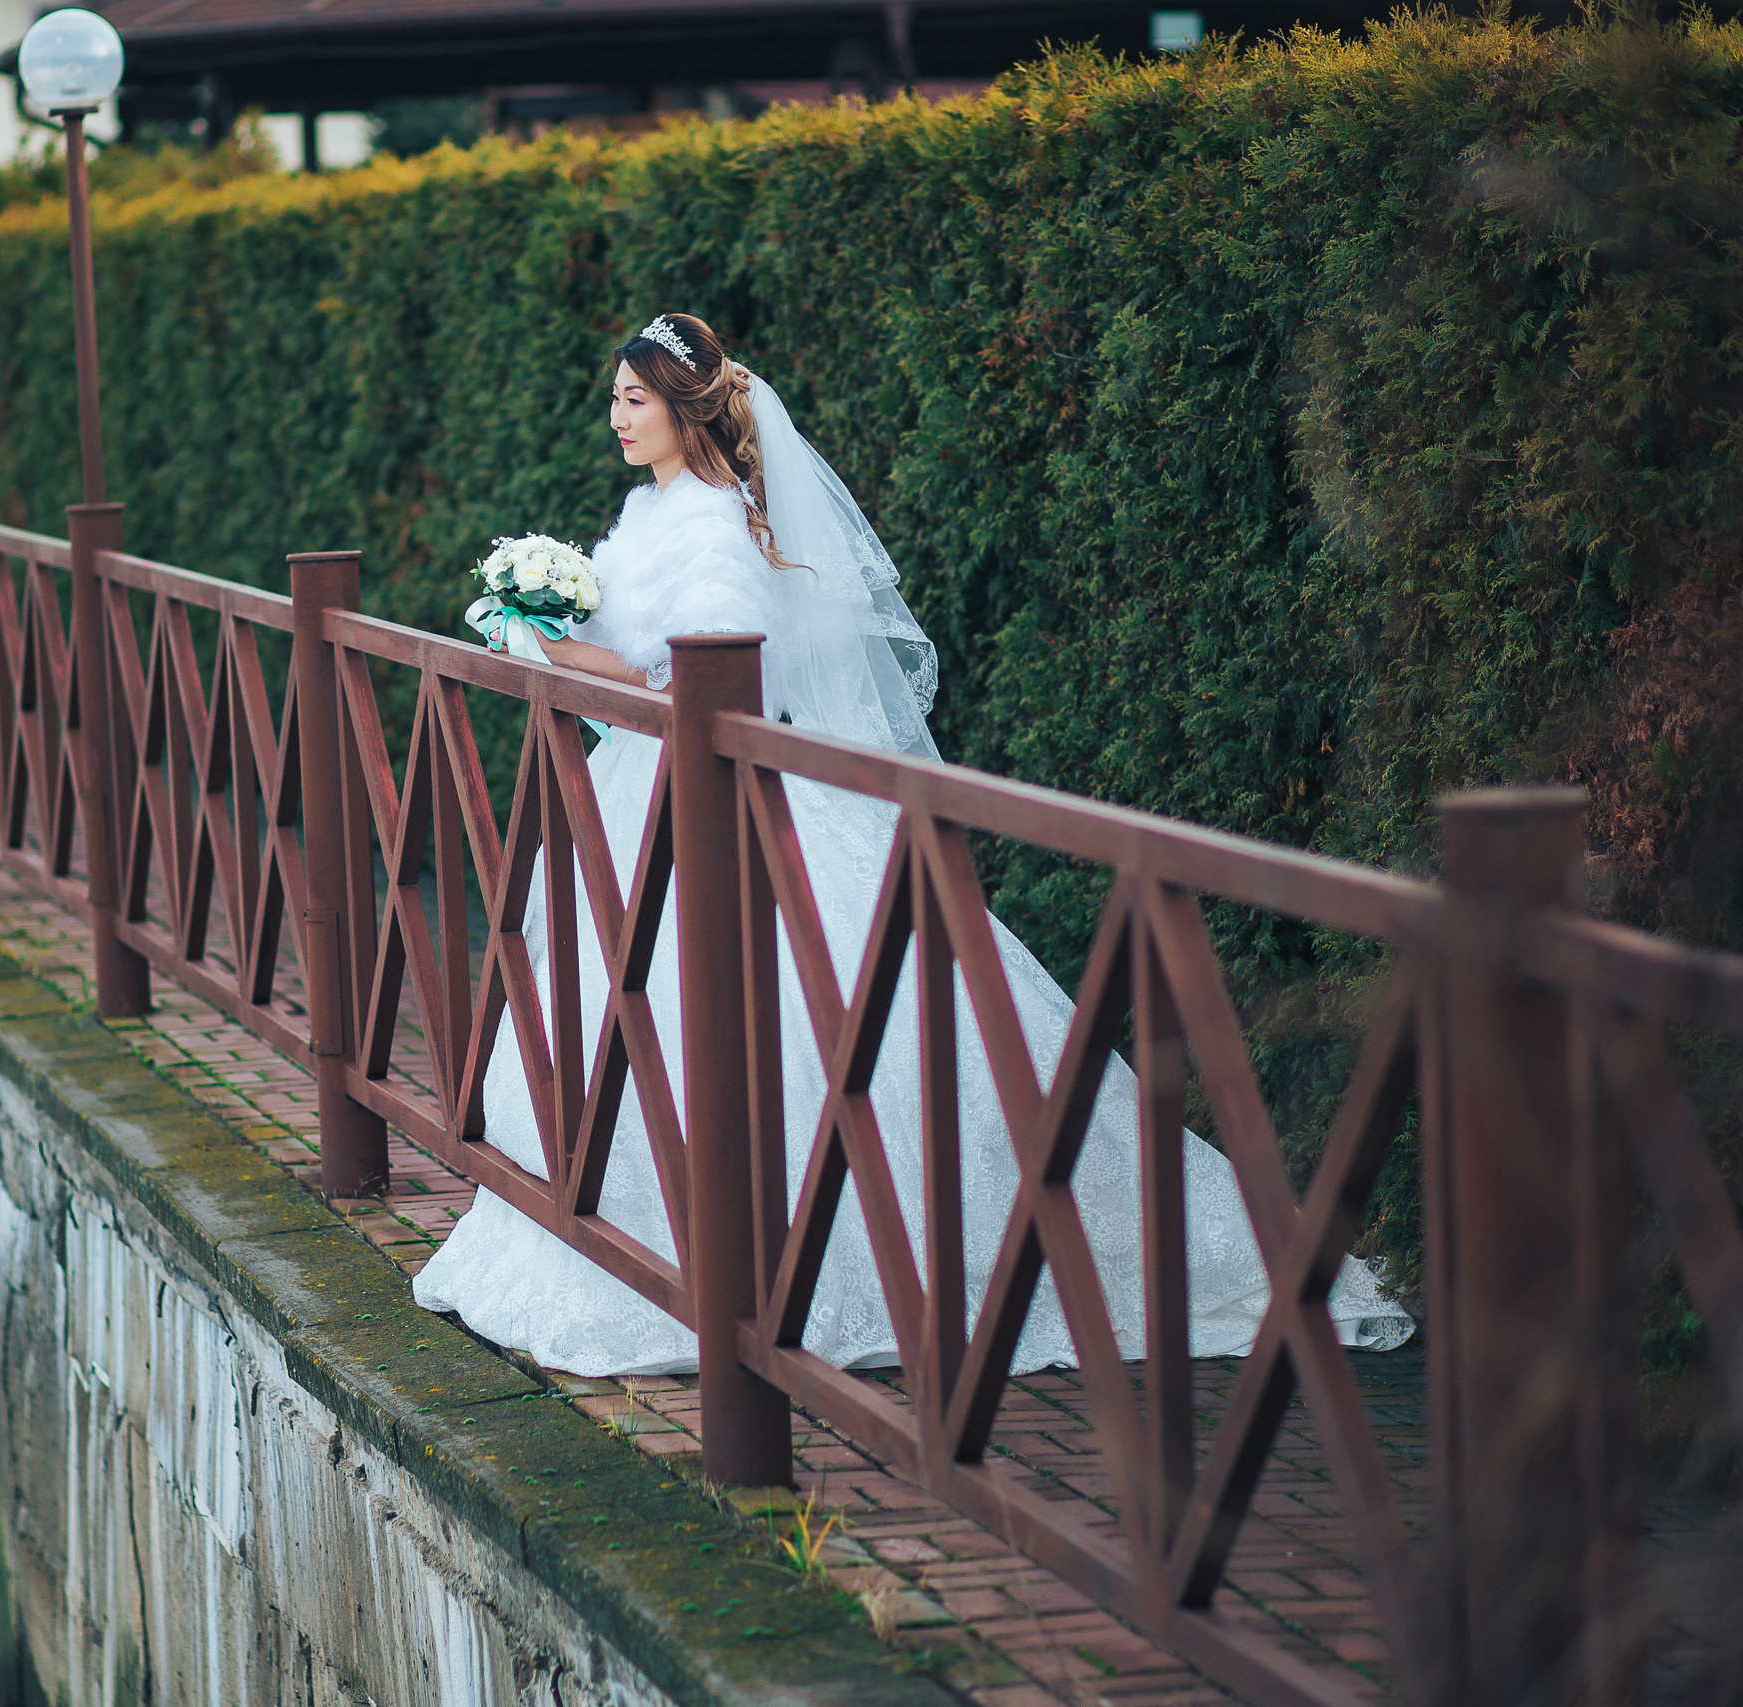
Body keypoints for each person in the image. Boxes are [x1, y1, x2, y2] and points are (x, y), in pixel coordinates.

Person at [411, 313, 1412, 1377]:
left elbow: (697, 672)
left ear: (687, 409)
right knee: (627, 1007)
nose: (616, 417)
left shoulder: (714, 526)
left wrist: (549, 645)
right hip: (638, 790)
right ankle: (619, 1229)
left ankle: (781, 1263)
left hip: (704, 799)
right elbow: (632, 647)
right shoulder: (652, 505)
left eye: (636, 400)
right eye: (614, 397)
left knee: (761, 1013)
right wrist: (550, 629)